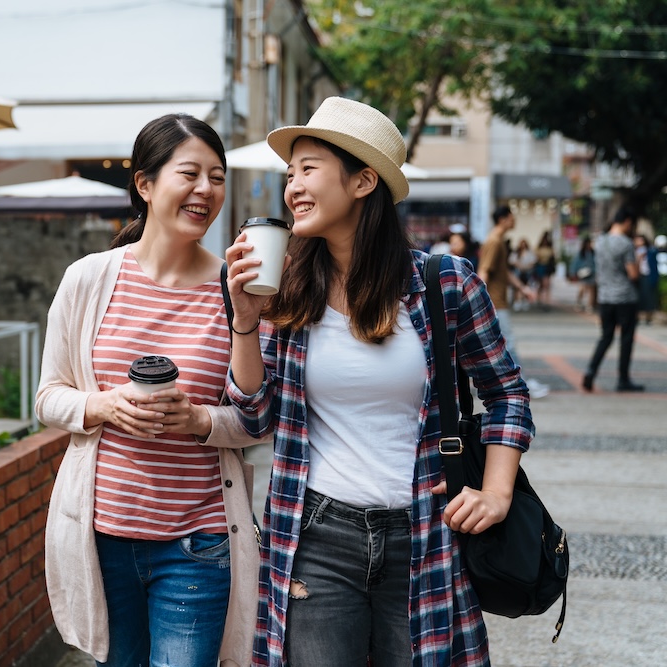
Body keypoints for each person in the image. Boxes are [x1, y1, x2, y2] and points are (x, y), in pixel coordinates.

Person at [222, 96, 535, 666]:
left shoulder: (445, 284)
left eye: (309, 169)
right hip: (316, 535)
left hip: (427, 532)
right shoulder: (289, 291)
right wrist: (244, 320)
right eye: (290, 174)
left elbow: (506, 393)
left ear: (363, 181)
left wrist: (495, 491)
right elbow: (253, 416)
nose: (292, 187)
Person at [36, 114, 260, 667]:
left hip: (199, 542)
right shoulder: (88, 278)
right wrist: (102, 404)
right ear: (145, 184)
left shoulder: (236, 291)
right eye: (190, 173)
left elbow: (259, 417)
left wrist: (200, 422)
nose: (205, 190)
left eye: (217, 176)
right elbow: (47, 398)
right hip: (102, 536)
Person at [478, 207, 550, 398]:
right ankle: (521, 384)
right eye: (511, 217)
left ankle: (514, 383)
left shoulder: (498, 241)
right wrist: (477, 301)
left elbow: (504, 272)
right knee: (507, 344)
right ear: (503, 219)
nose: (514, 220)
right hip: (495, 302)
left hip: (496, 301)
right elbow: (484, 271)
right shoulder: (494, 242)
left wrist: (523, 289)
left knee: (494, 345)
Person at [582, 206, 643, 392]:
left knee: (606, 337)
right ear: (627, 222)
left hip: (605, 297)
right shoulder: (625, 243)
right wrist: (639, 258)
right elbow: (633, 274)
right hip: (625, 298)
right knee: (626, 339)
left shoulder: (599, 241)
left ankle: (590, 372)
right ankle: (623, 380)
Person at [635, 234, 658, 324]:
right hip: (637, 276)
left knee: (649, 297)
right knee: (637, 298)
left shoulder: (651, 251)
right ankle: (636, 317)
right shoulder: (632, 251)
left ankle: (648, 317)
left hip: (647, 275)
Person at [509, 238, 537, 312]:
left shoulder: (529, 253)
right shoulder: (516, 253)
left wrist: (526, 267)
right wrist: (519, 266)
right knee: (517, 288)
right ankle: (517, 301)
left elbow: (533, 262)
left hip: (527, 272)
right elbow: (512, 261)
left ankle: (524, 301)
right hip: (518, 272)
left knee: (526, 286)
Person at [570, 235, 597, 312]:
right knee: (582, 289)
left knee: (592, 290)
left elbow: (596, 263)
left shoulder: (593, 252)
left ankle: (589, 306)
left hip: (591, 273)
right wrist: (573, 272)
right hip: (582, 274)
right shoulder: (581, 253)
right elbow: (575, 263)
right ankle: (579, 302)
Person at [534, 231, 556, 309]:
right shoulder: (539, 248)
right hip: (540, 266)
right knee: (541, 285)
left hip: (547, 267)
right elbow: (536, 257)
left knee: (546, 284)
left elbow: (553, 257)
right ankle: (540, 299)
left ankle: (546, 301)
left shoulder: (550, 248)